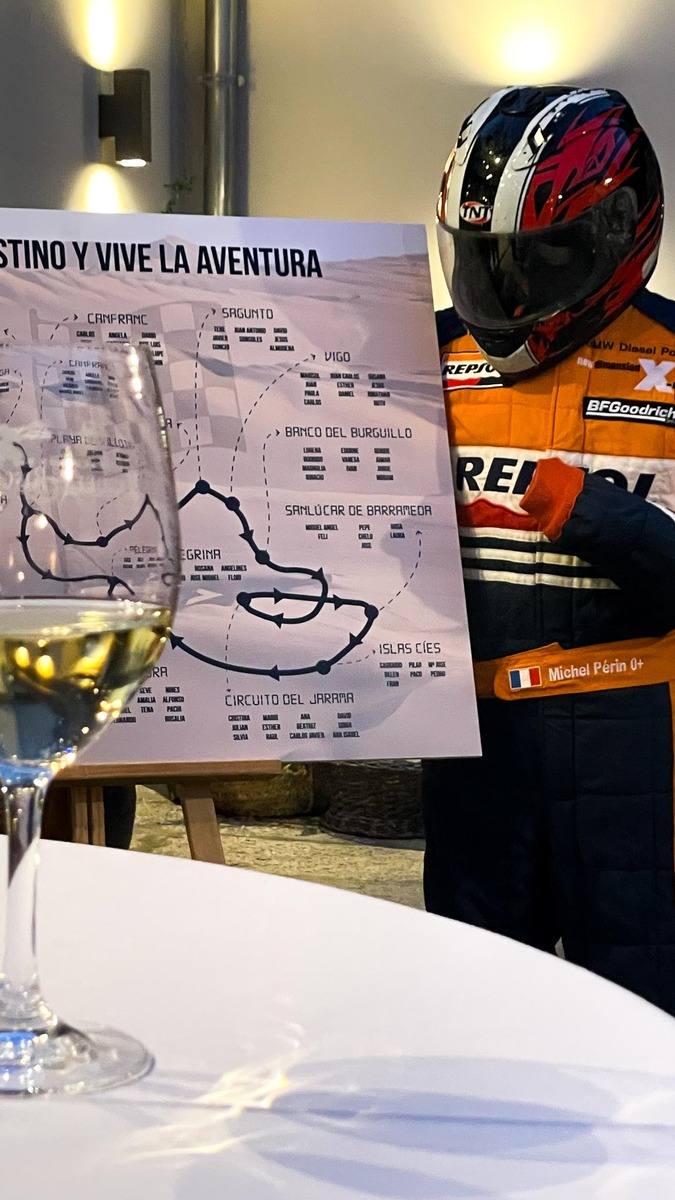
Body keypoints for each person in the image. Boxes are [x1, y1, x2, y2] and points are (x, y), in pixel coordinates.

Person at [424, 84, 675, 1013]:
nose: (506, 287)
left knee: (639, 1014)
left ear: (615, 230)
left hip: (634, 748)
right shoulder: (417, 360)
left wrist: (598, 517)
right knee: (475, 1009)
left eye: (536, 258)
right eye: (485, 258)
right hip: (474, 743)